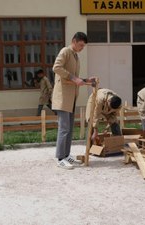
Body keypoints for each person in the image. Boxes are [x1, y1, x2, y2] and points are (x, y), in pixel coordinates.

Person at [51, 32, 95, 170]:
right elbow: (56, 68)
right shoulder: (65, 51)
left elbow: (74, 77)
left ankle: (66, 155)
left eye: (83, 46)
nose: (82, 48)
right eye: (81, 45)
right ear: (74, 41)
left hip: (71, 98)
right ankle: (60, 158)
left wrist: (86, 80)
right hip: (63, 98)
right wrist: (74, 78)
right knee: (64, 129)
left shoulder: (75, 55)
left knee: (69, 129)